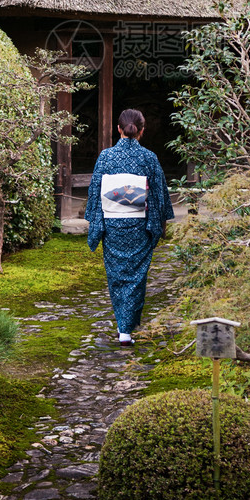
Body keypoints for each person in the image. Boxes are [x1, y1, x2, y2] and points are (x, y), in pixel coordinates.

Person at [84, 108, 175, 346]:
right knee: (137, 277)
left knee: (116, 277)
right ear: (142, 131)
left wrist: (97, 221)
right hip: (139, 224)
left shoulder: (105, 157)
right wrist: (158, 222)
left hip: (113, 224)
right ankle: (127, 329)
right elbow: (159, 195)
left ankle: (122, 327)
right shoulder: (149, 158)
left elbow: (95, 192)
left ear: (118, 129)